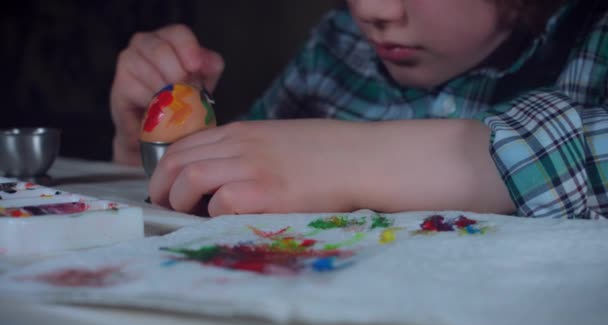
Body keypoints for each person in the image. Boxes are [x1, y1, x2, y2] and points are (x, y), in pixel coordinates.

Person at [110, 0, 608, 219]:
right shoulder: (336, 48)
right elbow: (230, 192)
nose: (375, 10)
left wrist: (362, 156)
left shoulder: (595, 37)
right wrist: (150, 153)